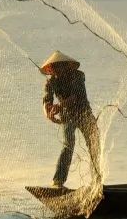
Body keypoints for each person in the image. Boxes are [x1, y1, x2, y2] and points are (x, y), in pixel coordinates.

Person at [41, 51, 101, 189]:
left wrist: (59, 106)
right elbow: (46, 101)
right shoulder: (51, 82)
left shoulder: (78, 76)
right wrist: (48, 113)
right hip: (67, 116)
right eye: (54, 68)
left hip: (84, 113)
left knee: (94, 143)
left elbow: (75, 96)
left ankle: (96, 180)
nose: (56, 70)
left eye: (59, 67)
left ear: (66, 66)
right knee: (69, 145)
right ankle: (58, 182)